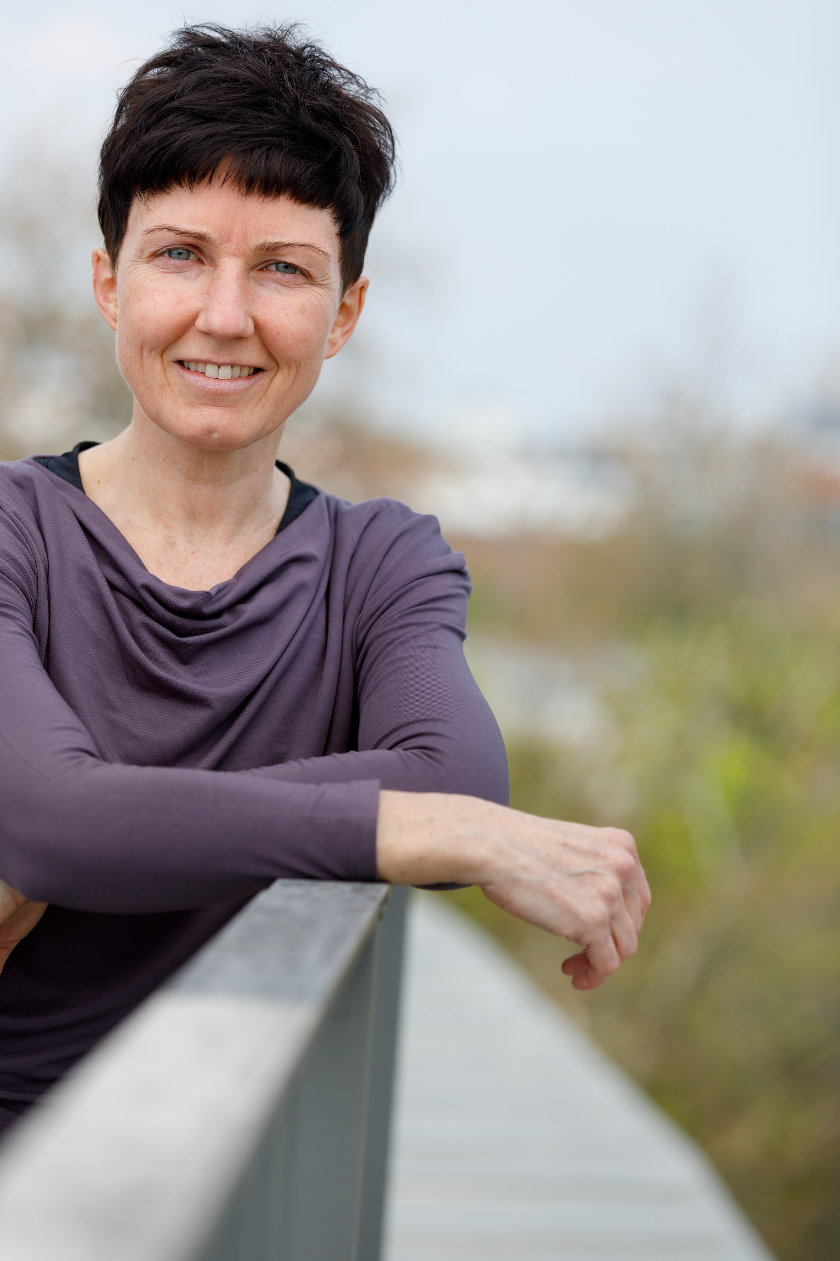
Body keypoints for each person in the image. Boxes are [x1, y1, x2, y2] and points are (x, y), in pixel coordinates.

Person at [0, 23, 649, 1139]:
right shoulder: (14, 533)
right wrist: (446, 832)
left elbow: (455, 769)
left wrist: (116, 811)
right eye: (179, 254)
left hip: (250, 1180)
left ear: (343, 313)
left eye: (283, 270)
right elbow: (58, 825)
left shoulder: (382, 561)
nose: (225, 315)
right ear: (109, 283)